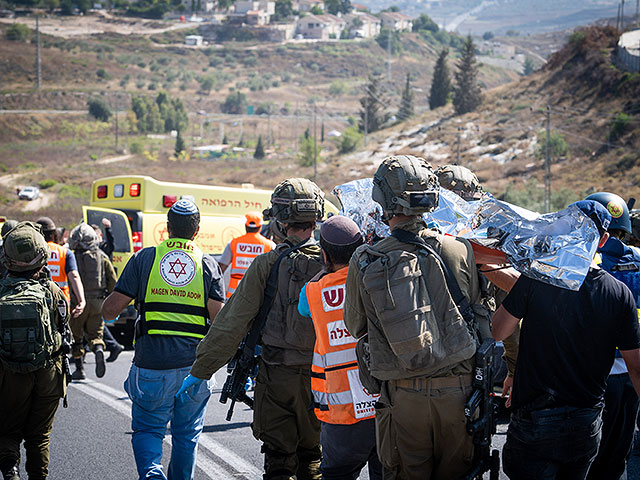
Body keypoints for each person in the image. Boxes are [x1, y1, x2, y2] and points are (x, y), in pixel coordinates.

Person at [344, 155, 492, 479]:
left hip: (403, 396)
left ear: (382, 200)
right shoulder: (461, 249)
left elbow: (355, 326)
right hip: (460, 396)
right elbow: (482, 314)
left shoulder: (366, 257)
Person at [177, 178, 326, 480]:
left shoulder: (267, 264)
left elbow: (231, 324)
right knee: (312, 456)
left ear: (282, 221)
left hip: (277, 376)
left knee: (279, 461)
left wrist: (201, 370)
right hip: (323, 378)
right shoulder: (336, 264)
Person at [492, 200, 640, 480]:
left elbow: (499, 331)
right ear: (603, 241)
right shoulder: (618, 293)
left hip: (535, 417)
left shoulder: (537, 277)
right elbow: (636, 366)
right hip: (585, 421)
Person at [101, 199, 225, 480]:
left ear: (167, 229)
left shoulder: (144, 258)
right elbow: (220, 321)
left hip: (151, 365)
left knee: (148, 430)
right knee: (186, 435)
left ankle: (152, 474)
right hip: (194, 369)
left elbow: (109, 311)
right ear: (197, 231)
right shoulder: (207, 264)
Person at [297, 215, 382, 480]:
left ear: (324, 254)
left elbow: (303, 310)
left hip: (341, 414)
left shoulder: (312, 291)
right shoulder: (376, 279)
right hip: (384, 404)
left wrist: (325, 270)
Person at [0, 222, 70, 480]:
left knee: (8, 431)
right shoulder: (52, 292)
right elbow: (65, 331)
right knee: (39, 435)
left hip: (8, 372)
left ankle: (10, 471)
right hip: (47, 372)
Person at [582, 192, 640, 480]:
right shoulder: (639, 261)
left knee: (586, 457)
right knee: (619, 454)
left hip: (591, 375)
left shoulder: (580, 261)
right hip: (631, 373)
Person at [67, 223, 117, 380]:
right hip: (97, 302)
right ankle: (98, 349)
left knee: (76, 337)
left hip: (77, 303)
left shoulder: (70, 257)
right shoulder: (102, 256)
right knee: (96, 334)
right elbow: (113, 282)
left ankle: (79, 369)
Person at [36, 217, 85, 320]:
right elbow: (74, 276)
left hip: (38, 301)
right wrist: (81, 301)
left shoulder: (32, 251)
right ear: (54, 234)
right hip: (61, 302)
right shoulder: (65, 252)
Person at [219, 211, 275, 299]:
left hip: (234, 294)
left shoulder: (233, 243)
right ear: (260, 227)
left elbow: (220, 269)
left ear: (246, 226)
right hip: (258, 294)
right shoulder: (269, 245)